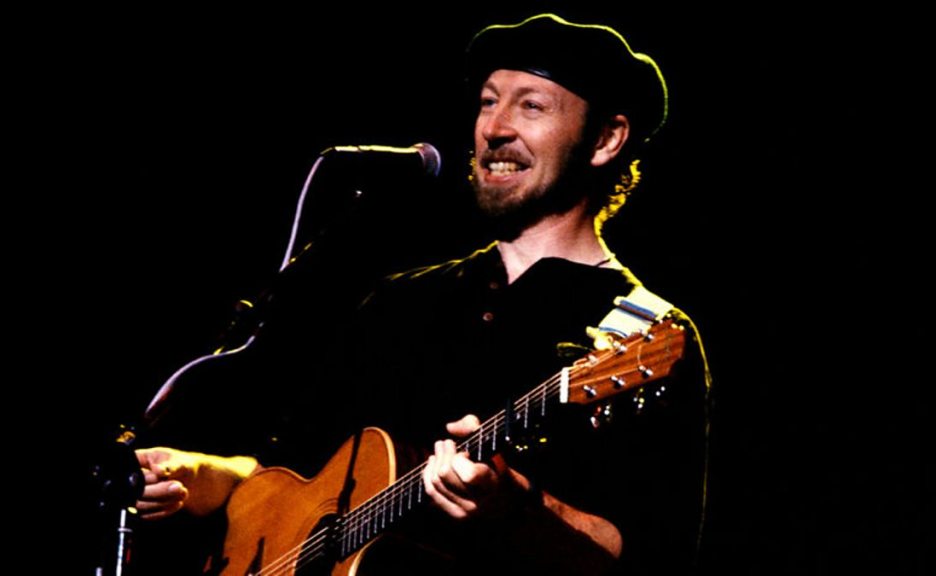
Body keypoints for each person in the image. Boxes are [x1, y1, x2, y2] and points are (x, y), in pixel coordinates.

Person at [132, 13, 711, 576]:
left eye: (531, 105)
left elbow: (650, 556)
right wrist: (195, 475)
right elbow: (282, 476)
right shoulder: (401, 302)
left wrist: (516, 511)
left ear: (607, 139)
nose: (495, 127)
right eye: (489, 101)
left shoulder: (640, 334)